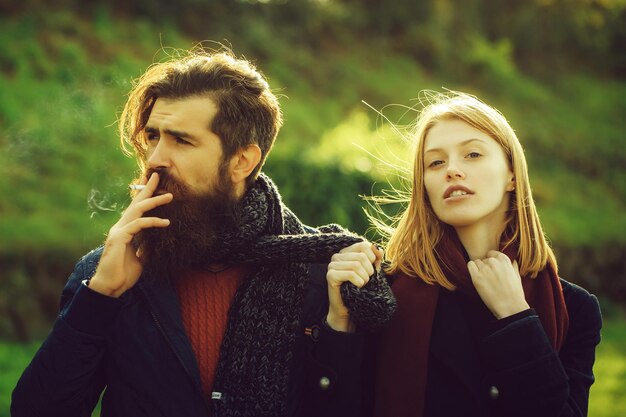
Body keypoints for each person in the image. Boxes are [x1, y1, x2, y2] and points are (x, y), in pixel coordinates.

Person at [11, 48, 395, 417]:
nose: (157, 158)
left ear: (242, 161)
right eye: (153, 137)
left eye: (181, 140)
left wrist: (338, 331)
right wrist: (100, 296)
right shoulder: (108, 271)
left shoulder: (317, 274)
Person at [357, 91, 602, 417]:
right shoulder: (386, 293)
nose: (452, 170)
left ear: (512, 175)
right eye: (436, 162)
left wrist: (516, 317)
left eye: (472, 154)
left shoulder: (576, 308)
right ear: (425, 187)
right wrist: (337, 324)